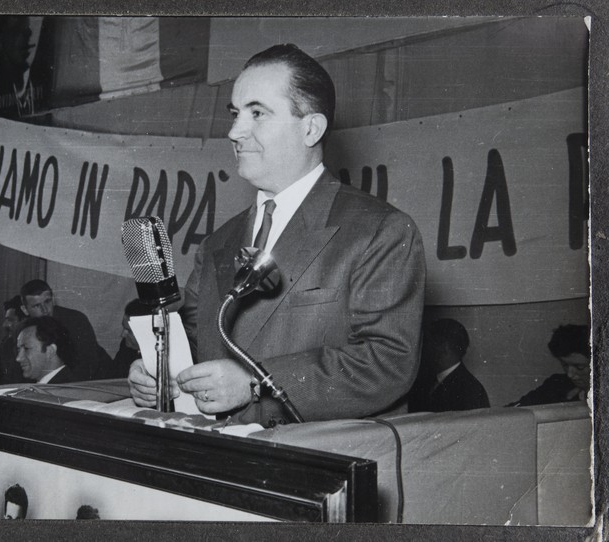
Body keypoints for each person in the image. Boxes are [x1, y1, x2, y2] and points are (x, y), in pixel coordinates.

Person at [128, 44, 426, 426]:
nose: (235, 131)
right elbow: (195, 341)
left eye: (257, 113)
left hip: (317, 463)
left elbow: (388, 362)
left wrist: (259, 382)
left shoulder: (380, 231)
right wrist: (161, 374)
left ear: (310, 128)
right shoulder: (217, 243)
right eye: (235, 114)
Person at [20, 279, 113, 380]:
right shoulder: (24, 332)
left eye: (47, 301)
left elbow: (88, 364)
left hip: (100, 379)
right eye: (37, 306)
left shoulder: (75, 320)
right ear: (25, 310)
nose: (45, 310)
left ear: (53, 299)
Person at [408, 318, 490, 413]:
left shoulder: (471, 391)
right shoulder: (427, 381)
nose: (423, 350)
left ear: (444, 348)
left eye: (428, 343)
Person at [508, 324, 591, 407]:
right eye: (565, 365)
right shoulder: (556, 384)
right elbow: (516, 408)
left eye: (580, 367)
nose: (570, 375)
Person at [15, 316, 80, 384]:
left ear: (50, 351)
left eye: (26, 348)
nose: (18, 358)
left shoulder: (66, 390)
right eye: (19, 350)